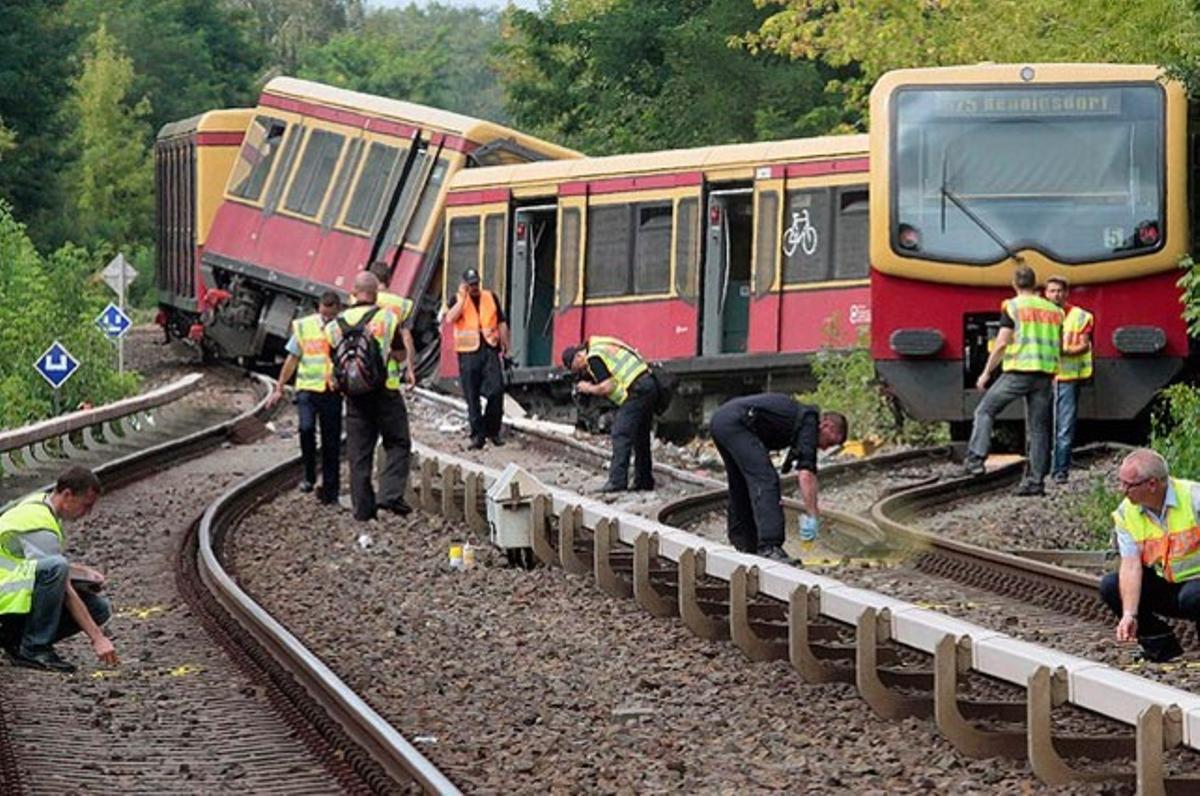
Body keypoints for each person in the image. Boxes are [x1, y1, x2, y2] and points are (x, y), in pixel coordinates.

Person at [0, 466, 118, 673]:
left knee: (99, 608)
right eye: (85, 506)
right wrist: (98, 639)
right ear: (67, 495)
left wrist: (83, 574)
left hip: (10, 589)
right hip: (5, 596)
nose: (86, 514)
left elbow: (32, 564)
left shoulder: (39, 503)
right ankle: (34, 648)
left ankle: (16, 641)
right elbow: (58, 579)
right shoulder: (39, 523)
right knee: (58, 568)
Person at [962, 265, 1064, 496]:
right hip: (1045, 374)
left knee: (985, 411)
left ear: (1015, 284)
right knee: (1039, 429)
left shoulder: (1013, 306)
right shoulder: (1054, 311)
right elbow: (1058, 344)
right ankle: (1036, 482)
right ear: (1035, 284)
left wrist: (986, 372)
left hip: (1019, 371)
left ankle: (976, 460)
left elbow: (1001, 343)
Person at [710, 394, 848, 562]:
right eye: (831, 441)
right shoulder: (810, 423)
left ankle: (745, 543)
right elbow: (806, 474)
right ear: (827, 425)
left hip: (722, 421)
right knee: (766, 479)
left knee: (741, 482)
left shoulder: (798, 418)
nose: (826, 447)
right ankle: (770, 547)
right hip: (737, 423)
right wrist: (812, 514)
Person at [326, 271, 416, 522]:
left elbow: (332, 359)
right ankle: (389, 495)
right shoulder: (387, 318)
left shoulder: (336, 324)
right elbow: (399, 354)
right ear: (376, 293)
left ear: (353, 293)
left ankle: (363, 510)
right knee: (398, 442)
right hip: (385, 391)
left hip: (354, 396)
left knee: (358, 453)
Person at [1099, 449, 1200, 663]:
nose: (1122, 490)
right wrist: (1129, 614)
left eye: (1128, 485)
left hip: (1196, 589)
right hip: (1170, 586)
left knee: (1193, 596)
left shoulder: (1193, 498)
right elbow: (1131, 566)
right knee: (1111, 586)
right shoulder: (1127, 513)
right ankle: (1160, 646)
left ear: (1152, 484)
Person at [268, 291, 343, 504]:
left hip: (331, 391)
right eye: (324, 315)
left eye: (330, 316)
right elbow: (292, 358)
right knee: (306, 428)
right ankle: (309, 475)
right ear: (319, 308)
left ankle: (331, 489)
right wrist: (280, 387)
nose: (326, 319)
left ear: (338, 310)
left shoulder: (342, 328)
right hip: (307, 389)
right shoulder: (305, 326)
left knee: (331, 442)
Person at [562, 336, 659, 493]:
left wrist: (588, 388)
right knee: (640, 435)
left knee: (620, 433)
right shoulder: (601, 344)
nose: (580, 371)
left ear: (579, 356)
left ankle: (617, 481)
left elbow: (608, 386)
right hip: (648, 383)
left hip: (637, 389)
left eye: (576, 367)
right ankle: (644, 480)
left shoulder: (593, 358)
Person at [444, 268, 510, 450]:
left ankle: (492, 430)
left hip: (489, 348)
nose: (474, 287)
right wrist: (463, 297)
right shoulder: (456, 299)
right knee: (471, 395)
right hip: (468, 352)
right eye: (470, 284)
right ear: (464, 284)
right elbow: (450, 318)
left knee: (497, 389)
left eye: (476, 284)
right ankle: (477, 435)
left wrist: (505, 342)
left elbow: (501, 321)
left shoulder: (490, 297)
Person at [1044, 275, 1093, 484]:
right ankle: (1043, 469)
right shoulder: (1041, 316)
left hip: (1067, 377)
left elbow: (1084, 344)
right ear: (1045, 294)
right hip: (1042, 377)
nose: (1056, 294)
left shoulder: (1081, 317)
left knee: (1063, 426)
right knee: (1043, 425)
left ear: (1066, 293)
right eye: (1052, 291)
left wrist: (1064, 351)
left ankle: (1060, 471)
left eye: (1059, 291)